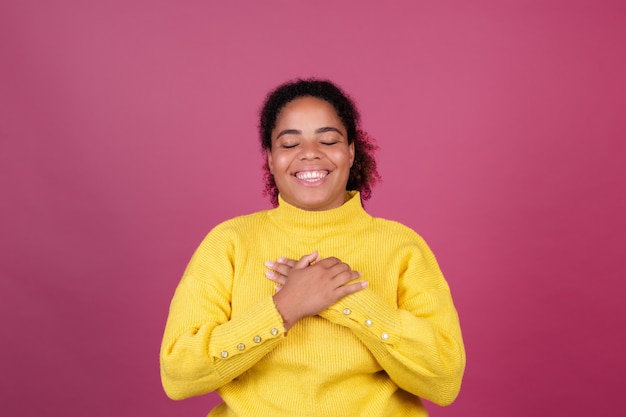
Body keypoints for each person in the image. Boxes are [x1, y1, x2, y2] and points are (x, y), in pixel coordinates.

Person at [160, 79, 466, 416]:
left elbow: (445, 380)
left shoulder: (401, 246)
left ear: (351, 151)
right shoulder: (229, 242)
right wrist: (284, 308)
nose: (310, 153)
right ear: (271, 158)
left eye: (328, 140)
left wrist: (346, 299)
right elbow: (178, 375)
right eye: (290, 143)